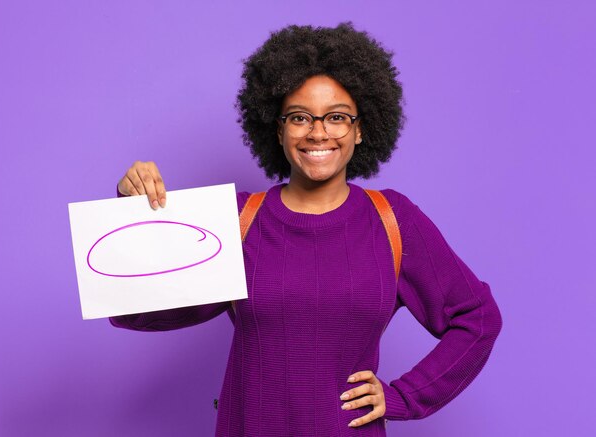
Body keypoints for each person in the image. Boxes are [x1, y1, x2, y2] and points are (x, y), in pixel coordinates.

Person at [109, 22, 502, 436]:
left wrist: (405, 395)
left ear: (360, 128)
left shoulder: (393, 220)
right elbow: (135, 310)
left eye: (336, 117)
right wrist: (133, 211)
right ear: (278, 129)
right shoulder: (237, 219)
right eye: (300, 117)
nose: (318, 132)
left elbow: (477, 318)